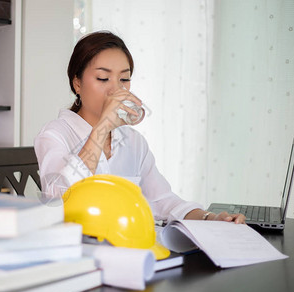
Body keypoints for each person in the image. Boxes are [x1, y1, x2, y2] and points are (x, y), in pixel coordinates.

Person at [34, 31, 245, 224]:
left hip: (127, 250)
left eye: (124, 79)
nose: (116, 89)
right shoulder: (54, 135)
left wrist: (211, 219)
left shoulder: (133, 141)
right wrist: (101, 128)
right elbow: (59, 200)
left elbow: (163, 201)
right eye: (103, 78)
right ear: (77, 84)